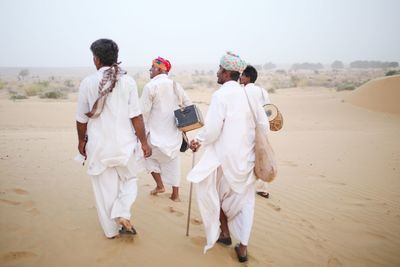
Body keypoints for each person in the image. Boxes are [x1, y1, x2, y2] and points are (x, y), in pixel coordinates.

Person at [188, 52, 268, 263]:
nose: (217, 72)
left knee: (216, 194)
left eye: (219, 69)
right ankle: (242, 245)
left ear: (226, 73)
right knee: (246, 201)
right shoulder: (250, 94)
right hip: (247, 159)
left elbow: (213, 130)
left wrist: (198, 140)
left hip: (224, 157)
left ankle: (224, 232)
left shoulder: (221, 95)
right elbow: (264, 125)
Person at [76, 38, 151, 239]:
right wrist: (143, 142)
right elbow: (136, 115)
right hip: (125, 147)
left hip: (99, 147)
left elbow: (81, 118)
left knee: (104, 190)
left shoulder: (88, 82)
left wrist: (81, 141)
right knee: (131, 178)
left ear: (97, 59)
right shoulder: (127, 81)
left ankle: (111, 231)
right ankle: (122, 211)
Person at [140, 57, 192, 202]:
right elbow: (188, 105)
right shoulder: (176, 85)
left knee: (146, 156)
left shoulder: (150, 87)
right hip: (174, 135)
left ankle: (160, 185)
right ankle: (175, 195)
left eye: (152, 67)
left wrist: (141, 137)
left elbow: (143, 113)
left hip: (155, 136)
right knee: (173, 161)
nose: (150, 70)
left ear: (160, 69)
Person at [240, 65, 271, 199]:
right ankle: (263, 188)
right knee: (261, 156)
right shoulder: (263, 92)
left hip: (249, 128)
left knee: (246, 157)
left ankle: (245, 186)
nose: (240, 77)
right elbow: (268, 110)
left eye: (242, 75)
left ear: (248, 77)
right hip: (263, 127)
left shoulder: (242, 92)